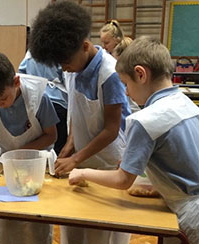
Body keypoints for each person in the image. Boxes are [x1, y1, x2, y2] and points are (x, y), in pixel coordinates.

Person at [69, 36, 199, 244]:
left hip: (191, 215)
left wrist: (81, 171)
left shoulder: (145, 120)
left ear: (140, 74)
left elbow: (123, 180)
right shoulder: (186, 103)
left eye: (126, 84)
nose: (127, 92)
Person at [29, 1, 130, 244]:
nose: (64, 69)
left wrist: (76, 158)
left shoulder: (110, 73)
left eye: (66, 63)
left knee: (101, 232)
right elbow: (77, 109)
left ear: (85, 46)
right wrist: (71, 143)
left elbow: (111, 129)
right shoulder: (73, 67)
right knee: (73, 226)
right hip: (83, 158)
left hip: (108, 162)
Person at [0, 52, 59, 244]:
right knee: (7, 225)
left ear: (16, 82)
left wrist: (21, 154)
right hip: (9, 171)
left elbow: (51, 135)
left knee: (38, 226)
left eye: (3, 99)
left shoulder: (38, 98)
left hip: (39, 170)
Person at [19, 50, 68, 155]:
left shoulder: (30, 54)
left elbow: (21, 76)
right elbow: (67, 77)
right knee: (59, 145)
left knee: (38, 140)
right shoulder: (60, 52)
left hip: (34, 101)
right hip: (58, 102)